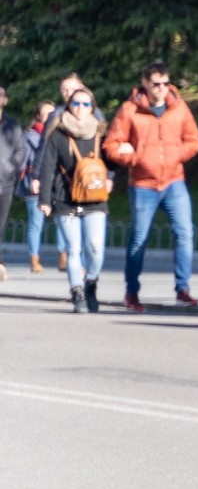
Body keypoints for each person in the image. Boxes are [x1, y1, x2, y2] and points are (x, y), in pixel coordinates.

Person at [105, 61, 198, 311]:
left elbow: (193, 140)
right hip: (143, 184)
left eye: (164, 83)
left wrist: (176, 155)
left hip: (174, 182)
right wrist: (135, 158)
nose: (161, 88)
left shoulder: (179, 108)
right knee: (139, 238)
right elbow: (111, 145)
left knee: (184, 233)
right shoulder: (130, 110)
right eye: (155, 84)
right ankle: (132, 292)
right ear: (145, 84)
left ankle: (183, 288)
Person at [36, 85, 113, 313]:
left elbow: (111, 161)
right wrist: (44, 200)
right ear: (69, 106)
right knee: (74, 249)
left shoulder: (100, 132)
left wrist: (111, 176)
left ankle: (90, 283)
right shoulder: (57, 133)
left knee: (96, 248)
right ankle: (77, 293)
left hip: (94, 197)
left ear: (92, 108)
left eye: (85, 104)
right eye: (76, 103)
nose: (80, 108)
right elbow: (47, 167)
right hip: (65, 198)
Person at [50, 73, 99, 273]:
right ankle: (70, 260)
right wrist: (39, 179)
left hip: (91, 186)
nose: (68, 94)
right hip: (65, 186)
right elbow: (46, 153)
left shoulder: (97, 119)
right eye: (64, 91)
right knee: (73, 244)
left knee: (94, 244)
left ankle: (89, 275)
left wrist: (110, 177)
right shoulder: (57, 118)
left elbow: (107, 152)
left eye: (71, 89)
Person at [16, 101, 53, 273]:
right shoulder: (29, 136)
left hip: (55, 184)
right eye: (46, 113)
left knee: (64, 219)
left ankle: (64, 256)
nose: (49, 117)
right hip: (35, 184)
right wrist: (31, 178)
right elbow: (21, 162)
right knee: (36, 222)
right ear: (38, 115)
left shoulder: (57, 135)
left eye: (52, 113)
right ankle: (34, 258)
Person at [0, 85, 25, 281]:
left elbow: (21, 150)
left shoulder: (12, 125)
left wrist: (10, 168)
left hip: (4, 183)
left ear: (5, 100)